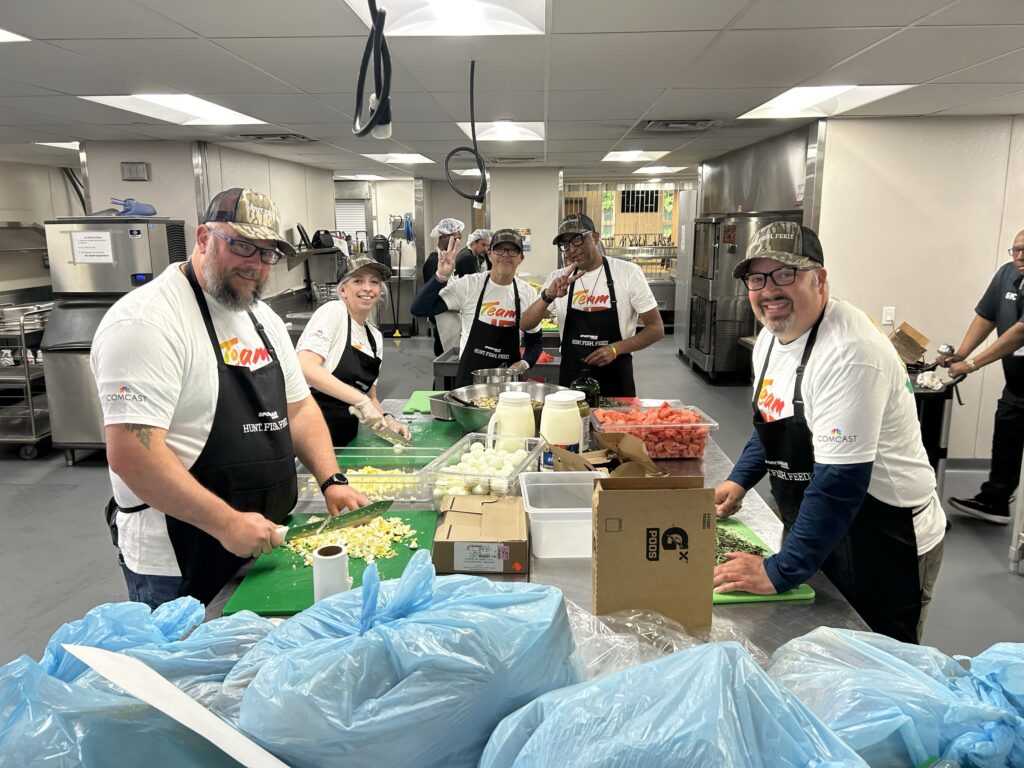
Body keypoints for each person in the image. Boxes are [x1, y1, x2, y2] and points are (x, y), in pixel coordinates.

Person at [91, 188, 368, 608]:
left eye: (267, 253)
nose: (255, 264)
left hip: (261, 539)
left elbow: (298, 407)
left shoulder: (261, 318)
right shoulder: (146, 323)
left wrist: (331, 479)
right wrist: (225, 522)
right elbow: (133, 451)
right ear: (203, 238)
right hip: (180, 559)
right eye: (241, 246)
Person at [712, 221, 946, 644]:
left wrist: (780, 571)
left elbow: (840, 482)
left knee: (878, 664)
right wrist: (740, 478)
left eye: (785, 274)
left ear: (819, 279)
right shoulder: (771, 335)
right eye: (756, 278)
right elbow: (773, 415)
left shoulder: (849, 354)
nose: (769, 291)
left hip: (885, 535)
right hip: (820, 523)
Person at [520, 213, 664, 396]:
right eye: (565, 244)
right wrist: (548, 296)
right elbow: (525, 324)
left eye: (577, 239)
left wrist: (615, 349)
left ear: (595, 238)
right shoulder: (559, 278)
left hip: (616, 377)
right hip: (572, 379)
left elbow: (656, 328)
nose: (571, 249)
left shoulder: (627, 273)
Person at [940, 229, 1024, 525]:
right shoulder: (1007, 274)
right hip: (1018, 382)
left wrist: (972, 364)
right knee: (1007, 436)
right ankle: (996, 501)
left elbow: (1019, 333)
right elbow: (987, 316)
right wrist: (961, 354)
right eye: (1016, 250)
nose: (1020, 256)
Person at [296, 255, 411, 447]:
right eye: (358, 281)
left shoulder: (374, 337)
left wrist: (387, 420)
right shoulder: (334, 311)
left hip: (345, 438)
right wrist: (361, 402)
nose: (367, 288)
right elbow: (305, 367)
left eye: (374, 282)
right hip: (310, 435)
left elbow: (371, 396)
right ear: (343, 290)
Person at [411, 228, 543, 388]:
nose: (506, 254)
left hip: (508, 385)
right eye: (500, 249)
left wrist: (523, 364)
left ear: (521, 258)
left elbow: (534, 343)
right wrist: (441, 276)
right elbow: (419, 308)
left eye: (513, 250)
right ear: (490, 254)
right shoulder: (469, 285)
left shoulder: (528, 293)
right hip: (469, 384)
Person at [422, 217, 465, 357]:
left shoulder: (450, 261)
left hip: (454, 316)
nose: (458, 243)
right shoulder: (433, 261)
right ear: (444, 237)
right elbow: (433, 296)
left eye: (459, 239)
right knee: (444, 361)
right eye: (455, 238)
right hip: (443, 319)